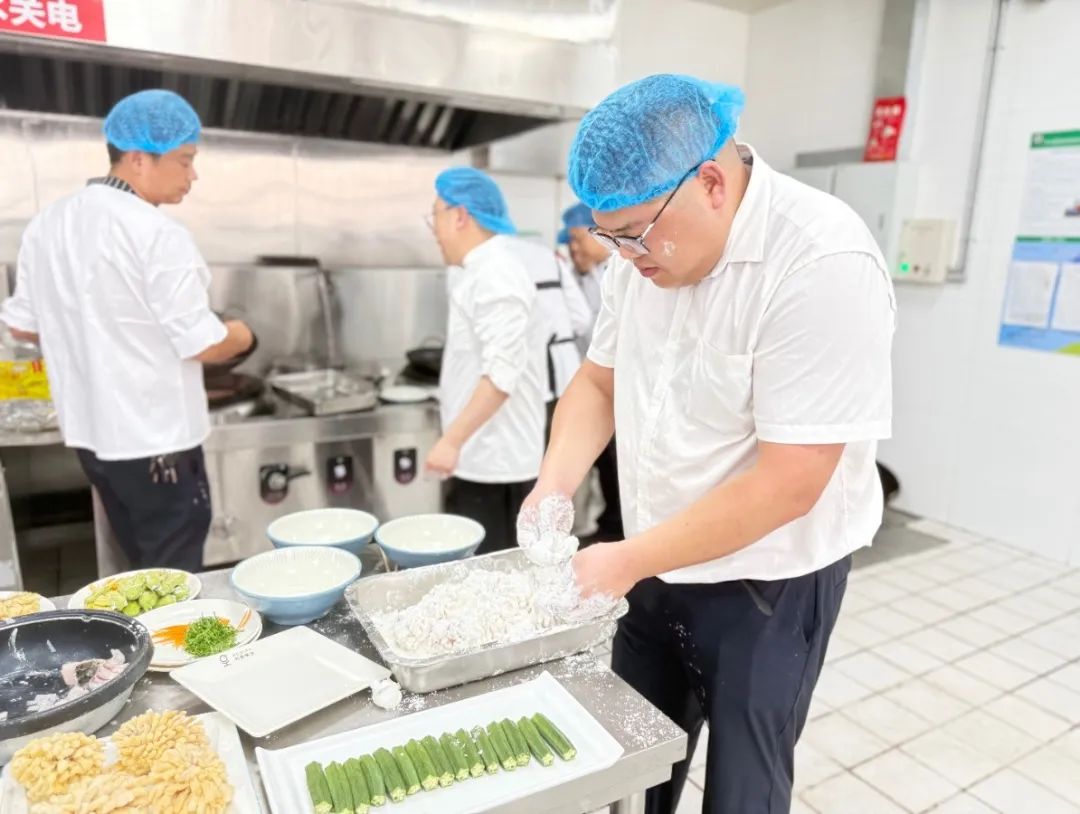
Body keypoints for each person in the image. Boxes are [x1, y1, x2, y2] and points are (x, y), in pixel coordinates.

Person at [528, 74, 895, 813]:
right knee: (632, 760)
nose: (624, 256)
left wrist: (626, 559)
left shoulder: (820, 261)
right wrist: (553, 486)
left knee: (742, 786)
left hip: (769, 582)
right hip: (653, 556)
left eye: (635, 234)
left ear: (712, 184)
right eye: (609, 237)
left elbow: (791, 481)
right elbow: (597, 382)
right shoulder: (644, 255)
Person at [0, 89, 254, 573]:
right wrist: (244, 334)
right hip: (158, 443)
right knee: (175, 574)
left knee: (141, 566)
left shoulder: (48, 224)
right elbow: (204, 343)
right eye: (185, 161)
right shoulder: (157, 232)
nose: (193, 175)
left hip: (91, 439)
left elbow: (22, 327)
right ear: (139, 158)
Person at [423, 167, 549, 553]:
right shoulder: (476, 271)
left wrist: (450, 441)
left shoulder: (498, 275)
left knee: (494, 572)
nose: (433, 230)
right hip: (479, 458)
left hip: (499, 464)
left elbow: (501, 375)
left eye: (435, 216)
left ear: (459, 215)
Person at [559, 201, 623, 542]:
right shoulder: (581, 276)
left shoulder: (624, 270)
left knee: (616, 466)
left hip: (619, 387)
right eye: (569, 240)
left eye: (577, 238)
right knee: (602, 463)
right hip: (594, 386)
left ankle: (615, 529)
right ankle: (608, 526)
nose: (574, 248)